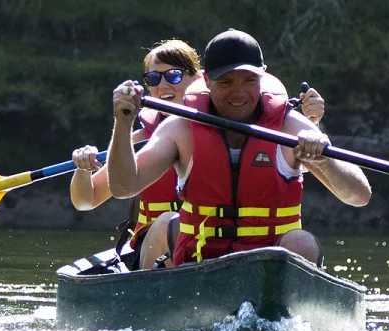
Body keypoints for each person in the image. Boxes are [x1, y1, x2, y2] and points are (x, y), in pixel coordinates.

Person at [105, 29, 370, 267]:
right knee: (164, 224)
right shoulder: (181, 129)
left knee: (302, 242)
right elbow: (123, 186)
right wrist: (123, 122)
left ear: (262, 76)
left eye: (248, 80)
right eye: (226, 82)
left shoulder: (290, 127)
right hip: (201, 257)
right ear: (207, 81)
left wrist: (325, 160)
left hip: (269, 261)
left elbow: (359, 196)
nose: (239, 93)